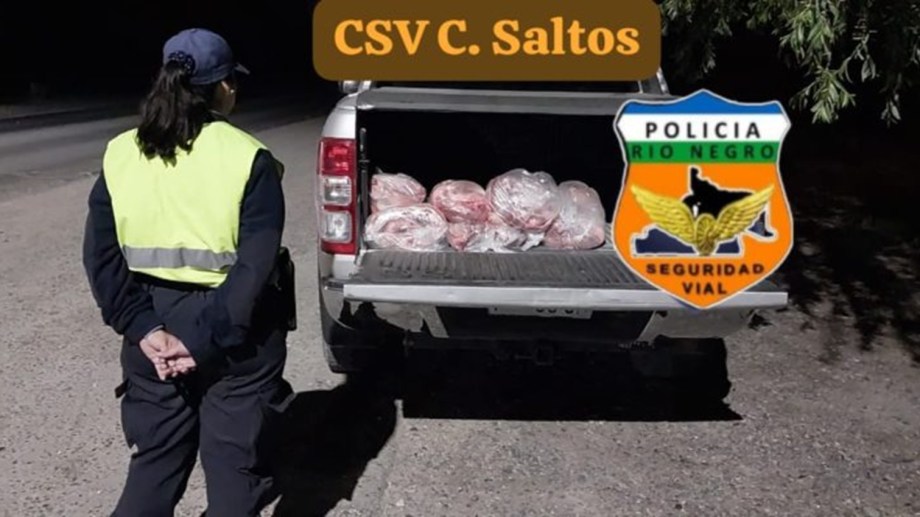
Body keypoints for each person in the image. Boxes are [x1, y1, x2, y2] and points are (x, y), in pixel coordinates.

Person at [82, 28, 295, 517]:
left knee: (153, 466)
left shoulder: (122, 152)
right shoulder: (248, 157)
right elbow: (254, 268)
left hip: (153, 324)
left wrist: (144, 328)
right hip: (236, 332)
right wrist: (200, 340)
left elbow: (102, 257)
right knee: (234, 471)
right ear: (224, 87)